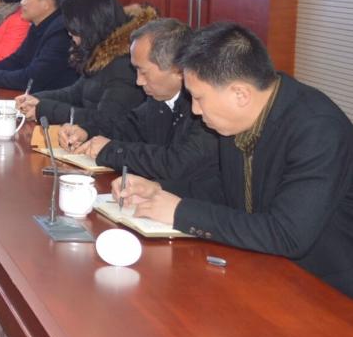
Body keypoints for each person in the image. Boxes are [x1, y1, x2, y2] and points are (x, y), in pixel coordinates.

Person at [115, 22, 353, 297]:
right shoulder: (238, 118)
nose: (194, 110)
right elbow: (226, 189)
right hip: (263, 268)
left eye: (199, 98)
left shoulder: (318, 130)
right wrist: (160, 190)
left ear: (240, 94)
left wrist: (180, 212)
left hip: (325, 289)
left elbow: (287, 234)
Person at [57, 17, 218, 192]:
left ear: (177, 70)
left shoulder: (205, 109)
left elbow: (177, 164)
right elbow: (126, 127)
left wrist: (112, 150)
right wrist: (86, 132)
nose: (138, 81)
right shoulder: (158, 100)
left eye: (143, 72)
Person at [16, 0, 150, 131]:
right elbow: (74, 93)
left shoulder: (125, 65)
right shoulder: (101, 53)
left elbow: (105, 121)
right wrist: (36, 99)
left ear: (90, 26)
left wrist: (45, 109)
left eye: (73, 28)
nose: (69, 33)